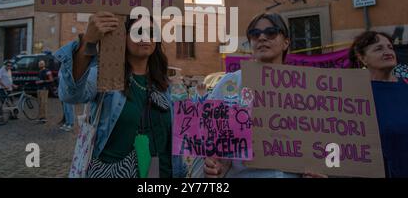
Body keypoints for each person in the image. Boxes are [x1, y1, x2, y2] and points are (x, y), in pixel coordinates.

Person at [191, 12, 324, 178]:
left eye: (271, 32)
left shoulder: (305, 87)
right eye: (255, 34)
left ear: (286, 43)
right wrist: (213, 166)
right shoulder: (229, 83)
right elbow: (211, 138)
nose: (262, 37)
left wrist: (315, 169)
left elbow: (317, 140)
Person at [55, 12, 187, 178]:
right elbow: (70, 95)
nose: (146, 36)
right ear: (122, 37)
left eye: (152, 33)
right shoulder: (107, 76)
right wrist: (88, 42)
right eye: (138, 31)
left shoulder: (165, 85)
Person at [349, 31, 408, 178]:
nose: (388, 52)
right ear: (362, 58)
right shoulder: (354, 96)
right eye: (379, 48)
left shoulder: (406, 86)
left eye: (390, 47)